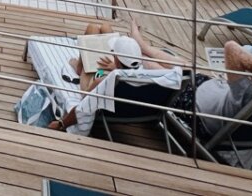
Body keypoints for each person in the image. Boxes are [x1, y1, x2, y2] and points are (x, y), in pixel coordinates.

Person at [172, 40, 252, 172]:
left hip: (192, 104)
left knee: (171, 72)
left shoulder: (247, 94)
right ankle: (146, 48)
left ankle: (146, 51)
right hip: (209, 89)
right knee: (185, 67)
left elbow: (231, 47)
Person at [49, 17, 183, 135]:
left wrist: (100, 71)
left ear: (117, 58)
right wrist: (115, 67)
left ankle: (79, 66)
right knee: (106, 27)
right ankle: (82, 62)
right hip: (140, 106)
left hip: (98, 86)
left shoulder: (106, 79)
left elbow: (86, 101)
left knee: (92, 29)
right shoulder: (158, 77)